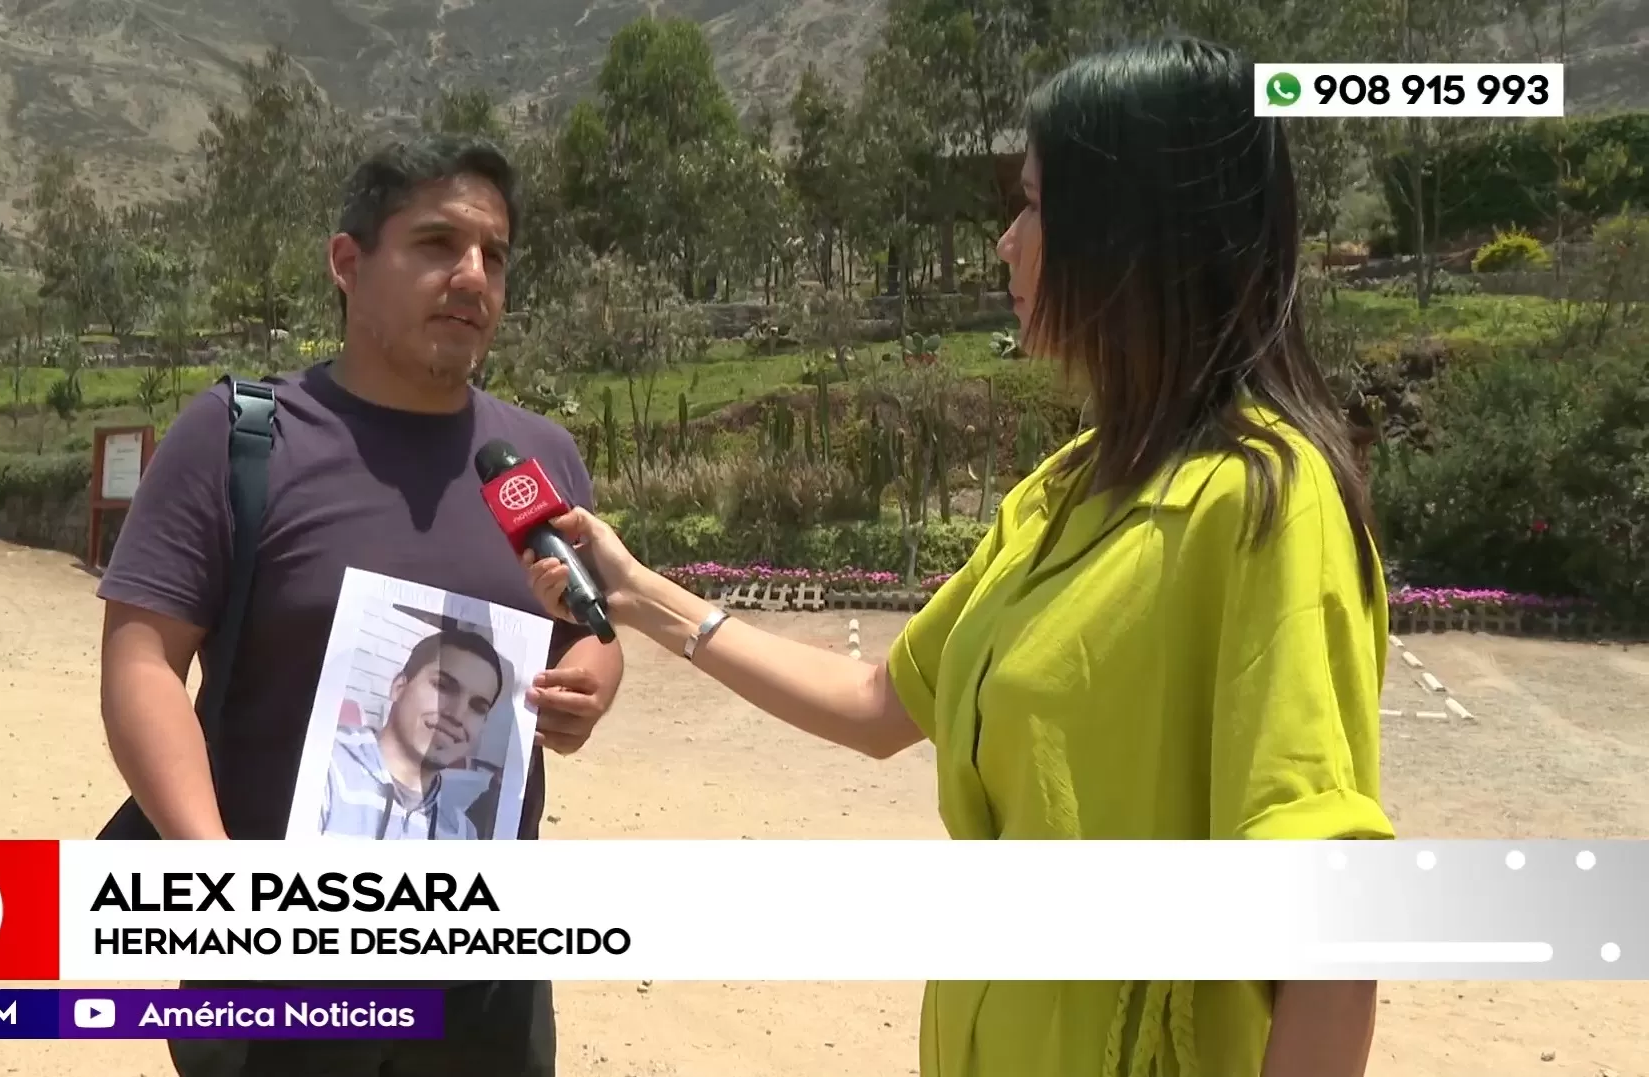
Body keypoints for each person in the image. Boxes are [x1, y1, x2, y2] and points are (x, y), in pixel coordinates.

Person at [520, 38, 1394, 1077]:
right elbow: (878, 704)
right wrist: (638, 592)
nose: (1003, 244)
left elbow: (1330, 931)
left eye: (1032, 207)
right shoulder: (1064, 491)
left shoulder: (1263, 503)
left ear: (1133, 234)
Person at [97, 133, 623, 1077]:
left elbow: (590, 626)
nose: (472, 277)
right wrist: (215, 872)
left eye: (493, 256)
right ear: (348, 263)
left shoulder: (536, 460)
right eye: (436, 245)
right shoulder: (238, 439)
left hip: (487, 973)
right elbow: (141, 661)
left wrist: (590, 675)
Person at [321, 627, 506, 840]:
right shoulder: (324, 764)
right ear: (399, 687)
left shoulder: (462, 835)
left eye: (477, 707)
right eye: (443, 686)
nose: (457, 715)